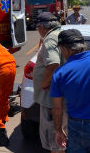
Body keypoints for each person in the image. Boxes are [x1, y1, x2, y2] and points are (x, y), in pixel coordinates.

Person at [32, 12, 66, 153]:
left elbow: (53, 64)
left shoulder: (50, 39)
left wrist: (45, 83)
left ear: (42, 27)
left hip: (50, 96)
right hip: (61, 93)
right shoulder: (61, 34)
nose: (38, 31)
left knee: (53, 134)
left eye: (38, 27)